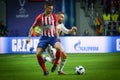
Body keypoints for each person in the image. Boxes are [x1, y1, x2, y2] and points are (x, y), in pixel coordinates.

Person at [26, 2, 63, 76]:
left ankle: (55, 64)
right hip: (43, 38)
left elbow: (55, 27)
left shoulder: (54, 16)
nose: (51, 10)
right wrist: (29, 37)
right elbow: (32, 27)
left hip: (52, 37)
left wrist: (57, 36)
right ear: (45, 8)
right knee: (38, 54)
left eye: (52, 9)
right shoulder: (40, 17)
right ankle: (45, 71)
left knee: (59, 48)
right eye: (49, 8)